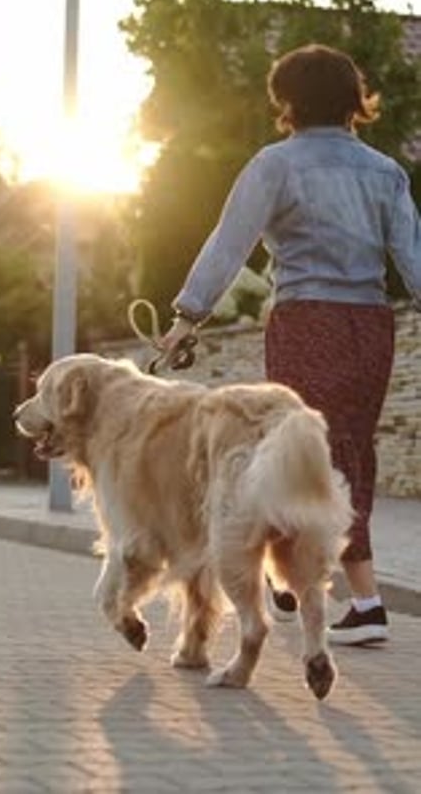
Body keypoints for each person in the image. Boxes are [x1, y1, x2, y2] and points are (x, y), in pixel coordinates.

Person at [158, 43, 421, 645]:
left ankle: (327, 590)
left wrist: (186, 317)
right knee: (350, 451)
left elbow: (229, 244)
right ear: (354, 100)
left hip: (306, 319)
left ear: (288, 101)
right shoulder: (386, 171)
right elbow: (413, 259)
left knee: (301, 450)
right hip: (371, 324)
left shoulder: (275, 165)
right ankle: (356, 597)